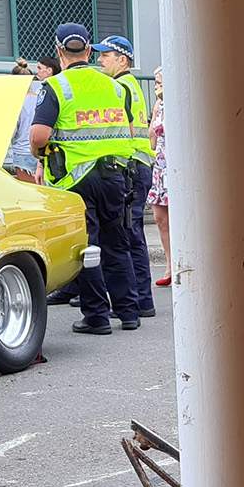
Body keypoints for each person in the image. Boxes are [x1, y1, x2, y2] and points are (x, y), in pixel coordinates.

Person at [30, 22, 141, 336]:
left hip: (75, 180)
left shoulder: (55, 87)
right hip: (115, 174)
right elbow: (128, 129)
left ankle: (97, 317)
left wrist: (39, 156)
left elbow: (39, 136)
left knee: (87, 248)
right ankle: (129, 312)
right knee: (118, 243)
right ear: (90, 50)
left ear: (59, 51)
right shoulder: (116, 87)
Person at [95, 34, 156, 319]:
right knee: (133, 234)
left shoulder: (120, 87)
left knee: (129, 235)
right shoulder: (131, 85)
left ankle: (140, 299)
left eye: (105, 55)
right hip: (139, 164)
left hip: (131, 165)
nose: (100, 60)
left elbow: (126, 129)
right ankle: (142, 299)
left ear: (122, 60)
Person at [149, 68, 171, 286]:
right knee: (159, 216)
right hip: (161, 165)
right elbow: (151, 140)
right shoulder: (159, 105)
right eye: (155, 82)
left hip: (177, 166)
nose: (156, 86)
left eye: (160, 81)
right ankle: (169, 263)